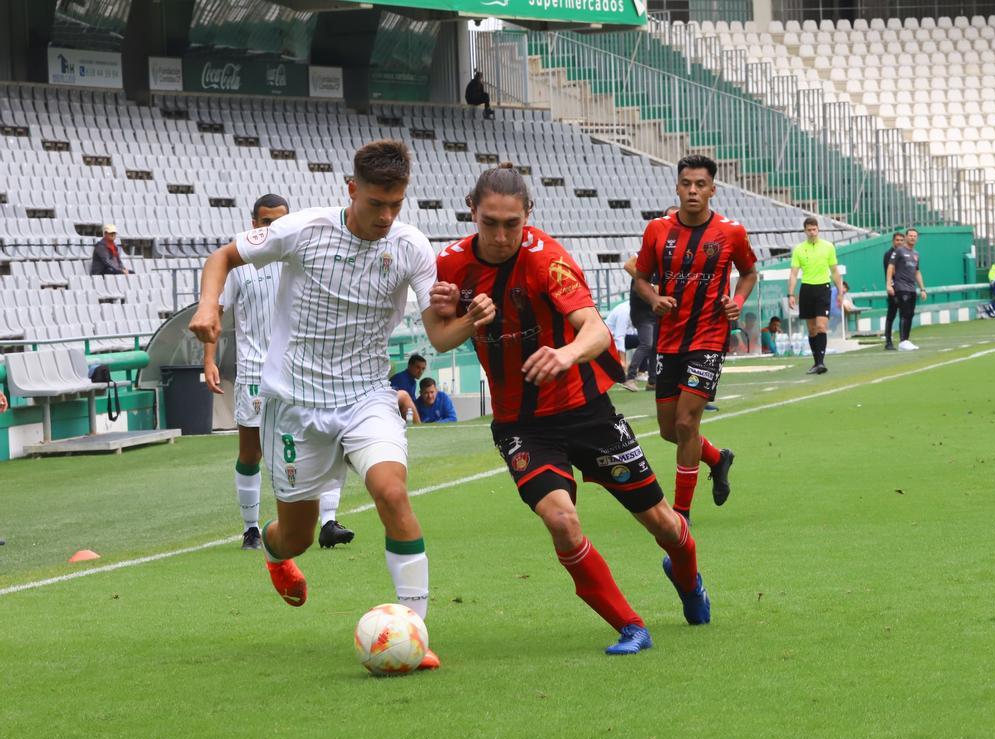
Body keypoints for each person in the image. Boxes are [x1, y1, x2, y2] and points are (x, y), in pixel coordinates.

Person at [190, 139, 478, 672]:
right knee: (296, 536)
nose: (388, 216)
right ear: (351, 190)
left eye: (397, 204)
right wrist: (210, 306)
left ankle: (415, 632)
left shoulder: (412, 246)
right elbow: (223, 257)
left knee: (391, 491)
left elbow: (439, 338)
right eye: (376, 204)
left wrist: (467, 317)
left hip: (367, 395)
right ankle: (276, 558)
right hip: (296, 404)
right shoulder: (302, 229)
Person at [432, 164, 710, 656]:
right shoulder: (450, 265)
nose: (500, 235)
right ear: (472, 210)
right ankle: (631, 626)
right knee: (561, 520)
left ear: (528, 216)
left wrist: (564, 354)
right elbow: (439, 335)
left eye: (511, 224)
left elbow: (596, 330)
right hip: (519, 423)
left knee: (664, 524)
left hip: (587, 412)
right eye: (489, 222)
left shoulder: (548, 260)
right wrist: (466, 316)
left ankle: (687, 577)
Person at [202, 194, 355, 551]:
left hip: (303, 370)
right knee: (251, 453)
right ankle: (252, 528)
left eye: (280, 220)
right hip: (255, 372)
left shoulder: (301, 253)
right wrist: (209, 360)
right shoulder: (240, 264)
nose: (274, 227)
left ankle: (329, 521)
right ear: (254, 224)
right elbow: (215, 310)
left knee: (325, 444)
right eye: (266, 222)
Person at [635, 154, 757, 522]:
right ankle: (719, 459)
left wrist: (735, 302)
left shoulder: (731, 232)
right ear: (677, 187)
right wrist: (655, 298)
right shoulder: (657, 230)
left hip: (709, 336)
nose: (693, 190)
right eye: (686, 184)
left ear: (712, 190)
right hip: (669, 339)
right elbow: (641, 278)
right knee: (670, 431)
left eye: (700, 184)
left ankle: (681, 513)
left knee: (688, 424)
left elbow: (750, 273)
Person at [621, 205, 678, 392]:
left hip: (656, 307)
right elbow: (629, 265)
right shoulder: (654, 244)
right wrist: (647, 284)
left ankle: (653, 381)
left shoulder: (676, 249)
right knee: (647, 343)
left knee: (656, 345)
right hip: (642, 306)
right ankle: (629, 377)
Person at [788, 216, 843, 373]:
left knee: (821, 326)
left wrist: (840, 292)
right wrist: (790, 294)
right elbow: (793, 273)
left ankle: (821, 362)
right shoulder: (799, 249)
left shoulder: (828, 247)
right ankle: (816, 362)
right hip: (806, 289)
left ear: (818, 229)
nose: (812, 232)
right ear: (805, 231)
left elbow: (834, 271)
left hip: (823, 289)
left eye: (814, 229)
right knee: (811, 329)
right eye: (809, 230)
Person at [886, 227, 928, 351]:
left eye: (915, 236)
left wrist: (922, 289)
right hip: (901, 287)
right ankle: (903, 341)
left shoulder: (916, 254)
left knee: (910, 314)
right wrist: (888, 285)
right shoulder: (899, 251)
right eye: (910, 236)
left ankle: (906, 340)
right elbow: (890, 267)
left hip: (912, 288)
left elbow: (917, 272)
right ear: (906, 237)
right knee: (904, 313)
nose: (913, 238)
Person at [603, 298, 636, 385]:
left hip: (616, 338)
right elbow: (619, 337)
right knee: (645, 342)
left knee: (646, 341)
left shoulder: (632, 308)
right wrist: (623, 360)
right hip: (609, 339)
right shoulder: (624, 312)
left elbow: (631, 331)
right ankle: (623, 372)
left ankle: (641, 372)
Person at [882, 232, 904, 348]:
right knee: (891, 314)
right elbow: (890, 272)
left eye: (901, 240)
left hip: (904, 288)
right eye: (897, 240)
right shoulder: (889, 254)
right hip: (894, 288)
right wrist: (890, 287)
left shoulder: (904, 254)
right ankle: (888, 341)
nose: (899, 242)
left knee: (904, 314)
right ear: (893, 241)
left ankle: (903, 340)